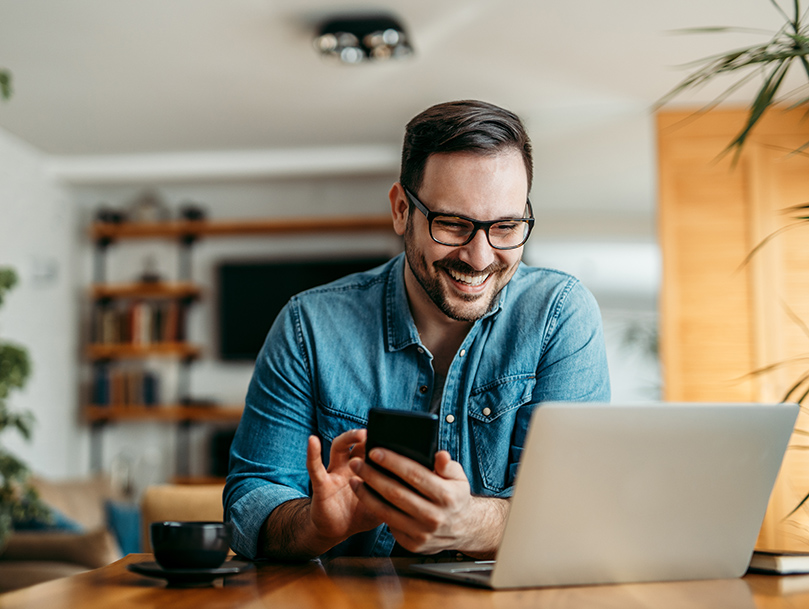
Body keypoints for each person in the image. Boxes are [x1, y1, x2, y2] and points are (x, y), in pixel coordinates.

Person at [223, 99, 610, 560]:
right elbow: (248, 505)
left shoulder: (560, 315)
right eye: (453, 224)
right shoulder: (308, 325)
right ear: (402, 210)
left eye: (506, 226)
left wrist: (471, 525)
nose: (481, 257)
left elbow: (575, 512)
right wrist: (316, 524)